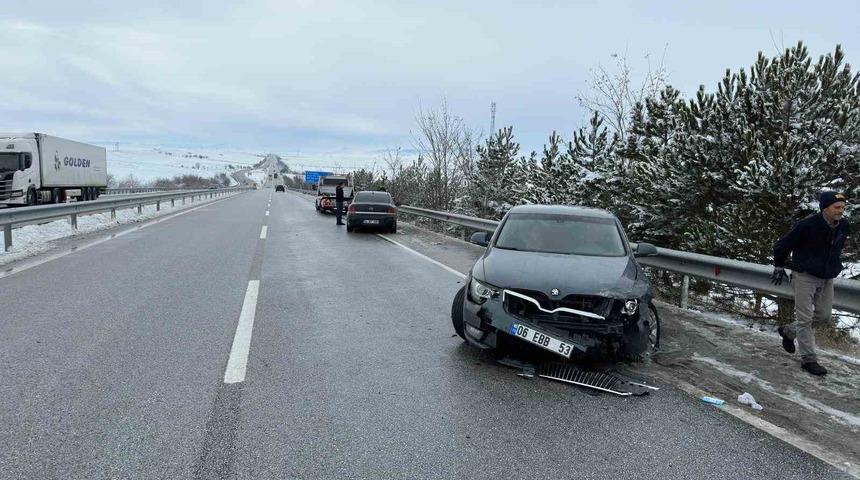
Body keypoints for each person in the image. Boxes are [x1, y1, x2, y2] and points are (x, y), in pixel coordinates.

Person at [772, 191, 849, 376]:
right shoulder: (807, 225)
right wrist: (779, 266)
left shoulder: (844, 226)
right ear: (825, 208)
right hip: (804, 275)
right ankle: (809, 360)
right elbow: (782, 245)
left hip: (826, 277)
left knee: (823, 317)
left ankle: (788, 331)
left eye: (843, 208)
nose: (841, 211)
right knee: (805, 319)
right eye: (837, 207)